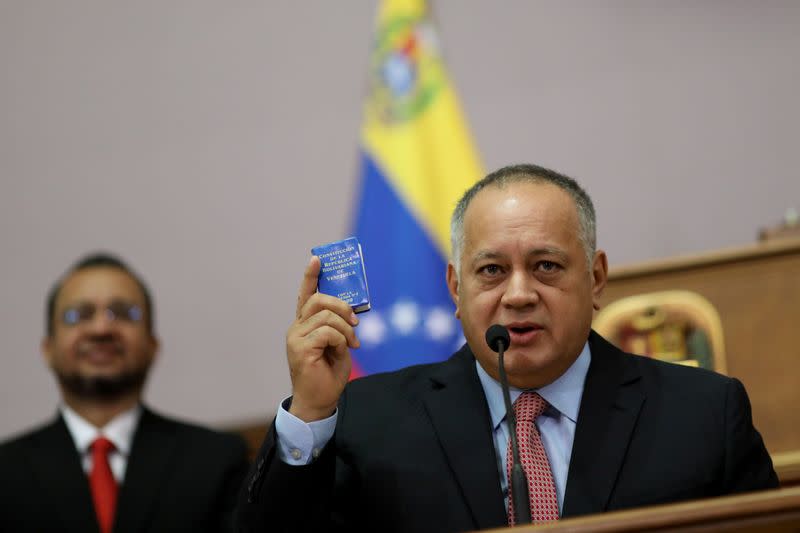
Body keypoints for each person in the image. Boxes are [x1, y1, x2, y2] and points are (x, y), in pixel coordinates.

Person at [235, 164, 778, 532]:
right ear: (455, 289)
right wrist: (310, 414)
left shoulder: (703, 414)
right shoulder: (367, 420)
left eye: (546, 266)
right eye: (492, 271)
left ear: (596, 278)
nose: (518, 295)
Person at [0, 253, 249, 533]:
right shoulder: (6, 472)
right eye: (79, 315)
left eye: (122, 313)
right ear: (48, 349)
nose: (101, 328)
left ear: (153, 345)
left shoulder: (214, 461)